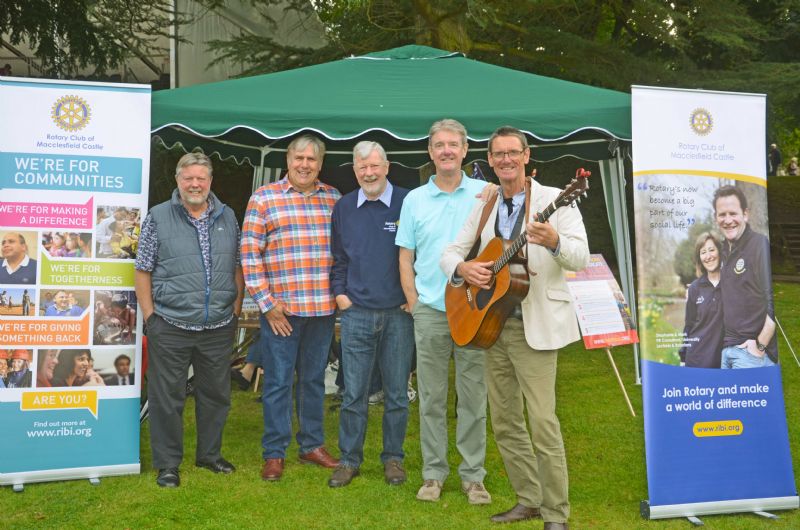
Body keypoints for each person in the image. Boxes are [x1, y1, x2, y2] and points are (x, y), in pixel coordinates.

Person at [441, 126, 589, 529]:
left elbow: (580, 256)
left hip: (535, 326)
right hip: (493, 325)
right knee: (505, 421)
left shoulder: (555, 200)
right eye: (498, 154)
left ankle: (556, 514)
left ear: (526, 156)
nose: (505, 160)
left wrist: (555, 240)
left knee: (542, 422)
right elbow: (452, 251)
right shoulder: (487, 203)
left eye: (513, 153)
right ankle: (529, 499)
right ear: (490, 160)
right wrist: (463, 267)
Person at [395, 118, 493, 505]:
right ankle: (433, 474)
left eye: (454, 144)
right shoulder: (415, 200)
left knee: (473, 396)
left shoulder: (486, 194)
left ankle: (473, 478)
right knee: (432, 397)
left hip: (475, 312)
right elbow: (406, 257)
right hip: (433, 311)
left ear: (465, 150)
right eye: (440, 145)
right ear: (430, 152)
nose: (447, 151)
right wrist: (415, 302)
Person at [135, 152, 244, 488]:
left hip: (218, 325)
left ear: (210, 181)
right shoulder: (158, 217)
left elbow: (237, 266)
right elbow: (143, 270)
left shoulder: (228, 216)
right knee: (167, 397)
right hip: (170, 323)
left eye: (201, 178)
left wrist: (235, 309)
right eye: (188, 178)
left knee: (216, 395)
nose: (195, 184)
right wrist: (151, 317)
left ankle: (210, 455)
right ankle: (168, 464)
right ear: (178, 181)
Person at [241, 134, 342, 482]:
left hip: (322, 310)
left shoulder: (333, 198)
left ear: (320, 164)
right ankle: (274, 452)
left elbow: (343, 254)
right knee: (279, 383)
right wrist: (268, 306)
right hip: (281, 313)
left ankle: (312, 445)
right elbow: (249, 255)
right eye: (299, 158)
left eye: (311, 160)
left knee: (314, 382)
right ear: (288, 160)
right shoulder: (264, 199)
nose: (304, 165)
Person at [326, 141, 413, 488]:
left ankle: (393, 459)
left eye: (375, 166)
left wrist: (413, 294)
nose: (369, 173)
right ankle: (349, 459)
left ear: (387, 167)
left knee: (396, 393)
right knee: (353, 393)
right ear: (355, 170)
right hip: (357, 313)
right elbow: (339, 258)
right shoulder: (344, 207)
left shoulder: (409, 202)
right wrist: (341, 295)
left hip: (398, 314)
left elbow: (423, 250)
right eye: (362, 168)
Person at [715, 186, 778, 368]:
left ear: (745, 214)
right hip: (726, 350)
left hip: (748, 353)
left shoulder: (758, 244)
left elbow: (770, 300)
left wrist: (759, 345)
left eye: (733, 213)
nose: (728, 220)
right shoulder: (722, 250)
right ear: (716, 218)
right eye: (722, 214)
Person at [679, 233, 724, 368]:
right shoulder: (695, 288)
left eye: (711, 250)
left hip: (724, 360)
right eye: (703, 252)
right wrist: (683, 357)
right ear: (700, 258)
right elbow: (689, 325)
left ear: (720, 252)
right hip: (697, 359)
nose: (708, 256)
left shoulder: (732, 284)